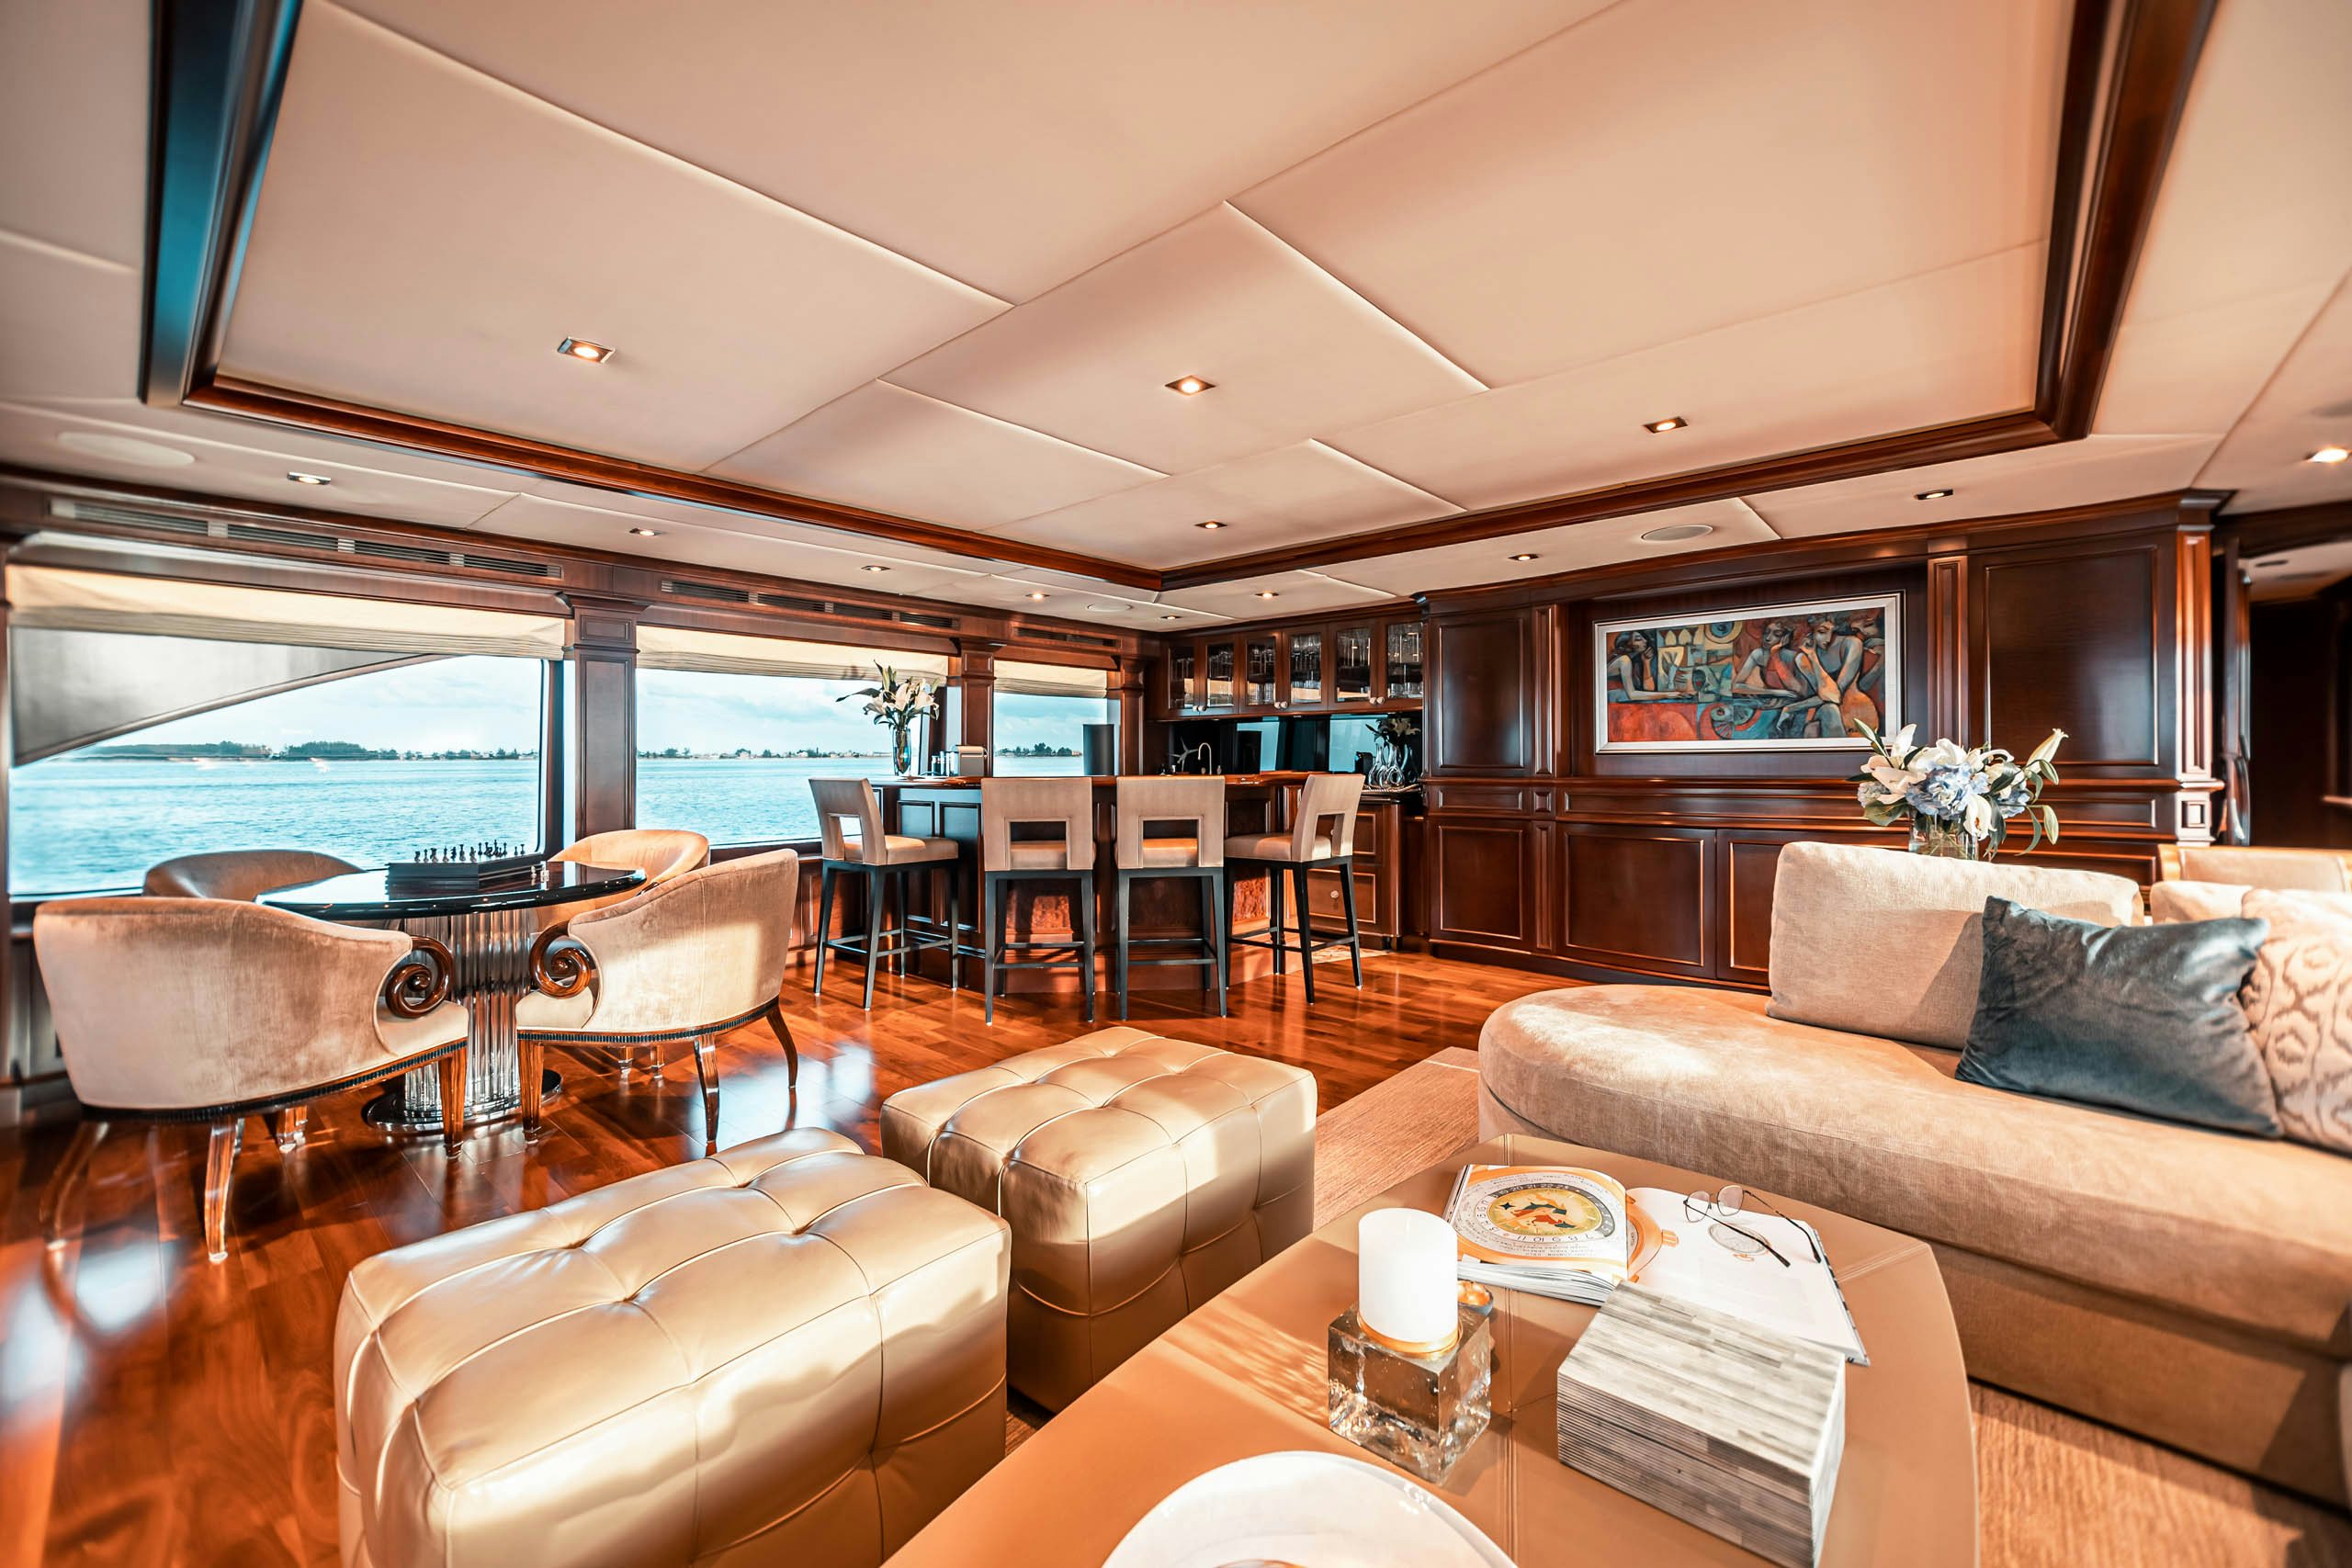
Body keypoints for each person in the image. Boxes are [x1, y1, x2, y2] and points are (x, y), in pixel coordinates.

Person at [1731, 618, 1839, 737]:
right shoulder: (1759, 654)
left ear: (1786, 638)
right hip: (1775, 706)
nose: (1768, 638)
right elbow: (1736, 686)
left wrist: (1790, 708)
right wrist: (1774, 692)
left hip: (1801, 710)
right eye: (1767, 632)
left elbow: (1820, 696)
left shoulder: (1796, 658)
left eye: (1777, 634)